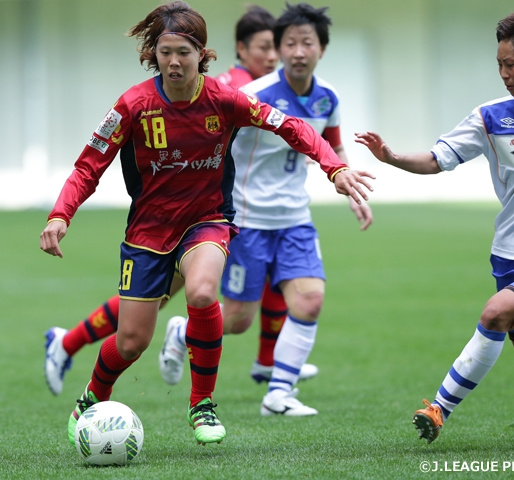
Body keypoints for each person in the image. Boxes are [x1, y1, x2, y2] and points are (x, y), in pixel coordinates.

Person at [40, 0, 373, 447]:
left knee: (200, 292)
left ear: (202, 53)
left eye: (184, 52)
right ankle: (92, 397)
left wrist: (334, 167)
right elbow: (88, 166)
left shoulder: (226, 99)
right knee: (132, 341)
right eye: (165, 52)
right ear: (153, 54)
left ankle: (202, 404)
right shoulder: (133, 105)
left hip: (207, 221)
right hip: (148, 231)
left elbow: (293, 127)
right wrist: (60, 215)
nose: (174, 62)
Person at [355, 8, 514, 444]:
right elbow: (437, 159)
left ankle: (438, 409)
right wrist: (392, 157)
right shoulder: (490, 117)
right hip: (509, 254)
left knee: (495, 313)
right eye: (499, 64)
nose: (503, 74)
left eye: (511, 64)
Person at [159, 2, 373, 416]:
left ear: (321, 49)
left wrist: (351, 191)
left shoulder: (327, 97)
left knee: (309, 302)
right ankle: (182, 331)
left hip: (295, 219)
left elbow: (332, 144)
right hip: (248, 221)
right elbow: (213, 140)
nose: (297, 52)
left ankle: (278, 395)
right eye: (289, 43)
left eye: (307, 43)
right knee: (238, 320)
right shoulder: (253, 95)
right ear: (278, 48)